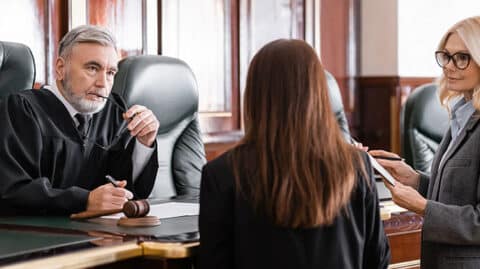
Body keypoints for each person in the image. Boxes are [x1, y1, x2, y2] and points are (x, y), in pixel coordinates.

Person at [199, 39, 390, 269]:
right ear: (319, 94)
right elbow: (378, 260)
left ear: (254, 95)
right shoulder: (357, 165)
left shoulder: (222, 173)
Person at [0, 25, 160, 215]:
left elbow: (128, 190)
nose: (103, 83)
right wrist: (85, 201)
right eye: (92, 68)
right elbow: (12, 190)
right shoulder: (23, 110)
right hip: (34, 237)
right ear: (61, 68)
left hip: (100, 237)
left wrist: (143, 143)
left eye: (110, 73)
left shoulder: (113, 112)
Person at [370, 16, 480, 269]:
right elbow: (457, 195)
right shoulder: (462, 114)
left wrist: (422, 207)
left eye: (462, 58)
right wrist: (416, 181)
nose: (449, 66)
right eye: (446, 56)